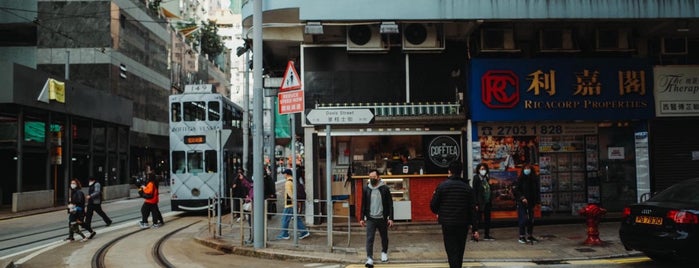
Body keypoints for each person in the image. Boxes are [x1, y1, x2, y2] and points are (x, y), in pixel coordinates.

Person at [430, 161, 478, 268]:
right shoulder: (467, 188)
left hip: (447, 224)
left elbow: (433, 205)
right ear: (461, 172)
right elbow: (473, 210)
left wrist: (439, 213)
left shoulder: (442, 186)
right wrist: (475, 229)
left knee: (451, 251)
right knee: (460, 251)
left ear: (449, 171)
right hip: (463, 223)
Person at [359, 169, 394, 266]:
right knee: (369, 238)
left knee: (384, 237)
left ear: (378, 177)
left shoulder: (384, 188)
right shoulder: (366, 189)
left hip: (382, 218)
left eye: (374, 177)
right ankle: (369, 258)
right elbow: (363, 204)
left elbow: (390, 204)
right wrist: (361, 218)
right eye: (370, 177)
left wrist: (391, 218)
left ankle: (384, 253)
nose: (372, 179)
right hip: (370, 218)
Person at [276, 169, 310, 240]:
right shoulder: (293, 181)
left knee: (284, 219)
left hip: (289, 204)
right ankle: (304, 232)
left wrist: (293, 200)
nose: (283, 175)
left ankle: (284, 234)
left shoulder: (288, 182)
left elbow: (289, 193)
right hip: (294, 204)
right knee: (296, 219)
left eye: (284, 174)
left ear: (287, 174)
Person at [513, 164, 541, 244]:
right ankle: (521, 236)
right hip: (522, 202)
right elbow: (517, 190)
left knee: (531, 219)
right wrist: (522, 198)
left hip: (531, 202)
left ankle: (530, 235)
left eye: (528, 168)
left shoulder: (534, 179)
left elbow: (536, 191)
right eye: (525, 168)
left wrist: (538, 202)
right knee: (523, 219)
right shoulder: (520, 179)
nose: (527, 170)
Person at [472, 163, 494, 241]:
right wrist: (476, 203)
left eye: (484, 169)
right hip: (480, 203)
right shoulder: (476, 178)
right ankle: (474, 235)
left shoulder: (486, 179)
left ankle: (487, 235)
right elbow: (474, 192)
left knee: (487, 219)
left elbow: (489, 190)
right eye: (481, 169)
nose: (483, 171)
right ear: (478, 170)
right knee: (477, 220)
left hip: (487, 202)